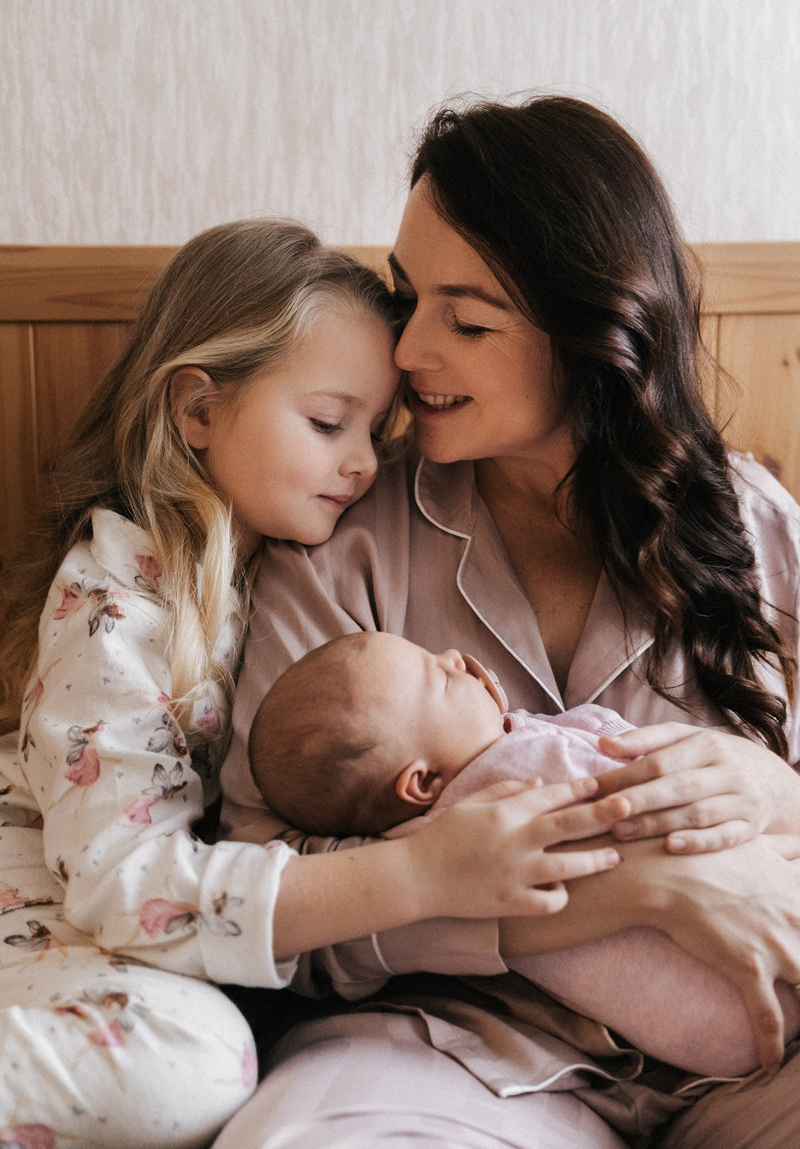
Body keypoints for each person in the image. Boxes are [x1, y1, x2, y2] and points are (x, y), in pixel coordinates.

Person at [218, 95, 800, 1149]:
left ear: (592, 335)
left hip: (752, 1049)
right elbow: (265, 897)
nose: (405, 350)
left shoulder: (754, 528)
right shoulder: (343, 538)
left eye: (467, 318)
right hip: (441, 1051)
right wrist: (621, 895)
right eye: (405, 298)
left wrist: (772, 788)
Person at [0, 216, 627, 1149]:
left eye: (376, 430)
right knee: (194, 1061)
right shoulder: (117, 608)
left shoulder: (273, 569)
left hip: (140, 935)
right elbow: (120, 888)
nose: (366, 462)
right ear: (199, 411)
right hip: (48, 910)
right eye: (329, 424)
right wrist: (419, 872)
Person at [248, 629, 800, 1078]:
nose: (454, 657)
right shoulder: (520, 769)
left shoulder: (414, 846)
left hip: (716, 1042)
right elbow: (633, 771)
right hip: (748, 962)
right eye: (437, 680)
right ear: (421, 781)